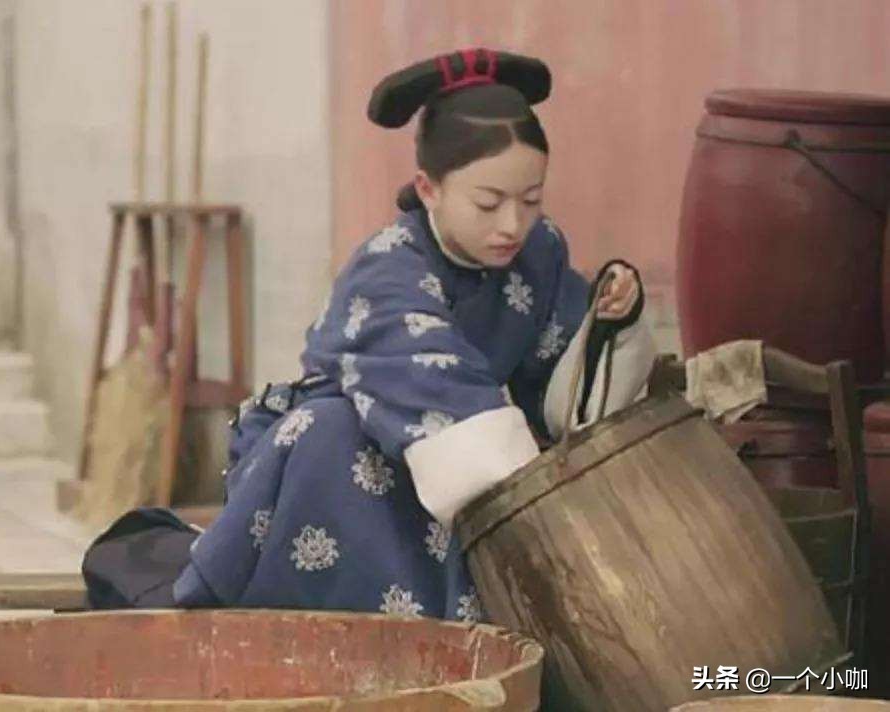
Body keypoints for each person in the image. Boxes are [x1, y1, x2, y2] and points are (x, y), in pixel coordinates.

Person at [82, 48, 656, 622]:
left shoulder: (540, 249)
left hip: (473, 455)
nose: (512, 224)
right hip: (345, 459)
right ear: (428, 189)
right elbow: (447, 408)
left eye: (530, 200)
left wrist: (609, 322)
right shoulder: (388, 271)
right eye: (488, 203)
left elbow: (556, 378)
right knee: (336, 436)